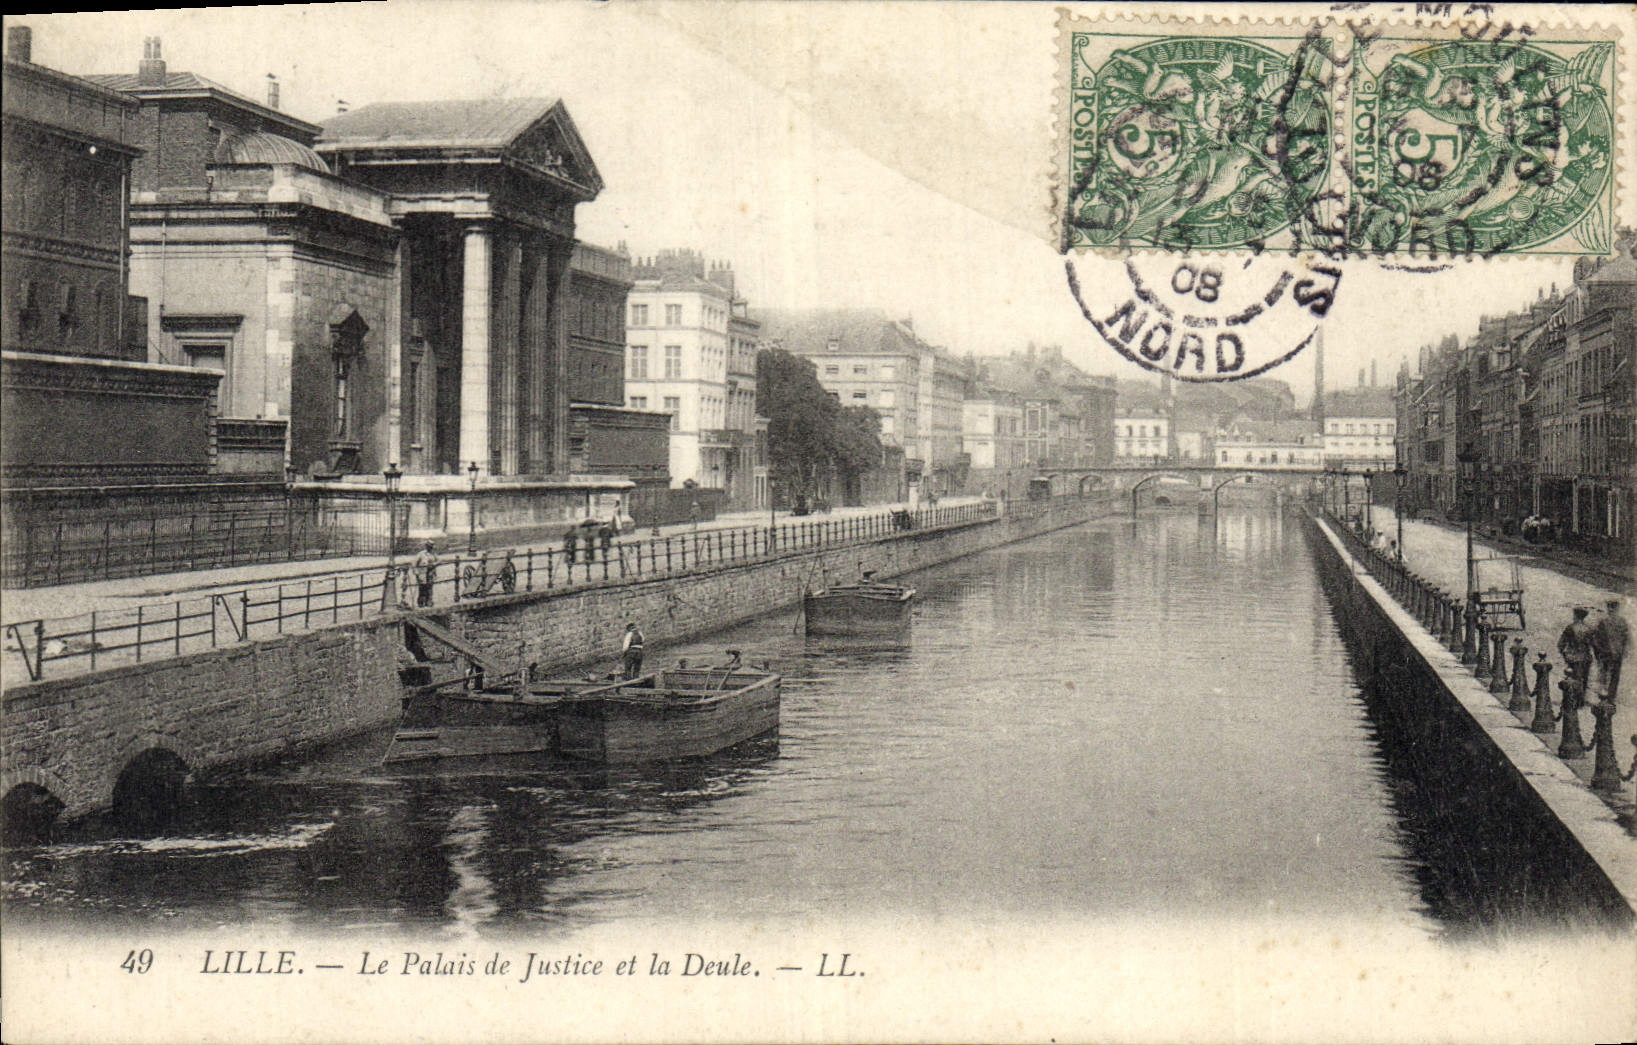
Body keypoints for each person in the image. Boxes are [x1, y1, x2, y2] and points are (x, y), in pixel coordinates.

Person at [1591, 597, 1628, 702]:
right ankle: (1611, 698)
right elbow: (1625, 639)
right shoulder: (1622, 622)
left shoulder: (1603, 622)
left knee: (1604, 674)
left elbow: (1595, 639)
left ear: (1609, 608)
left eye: (1610, 607)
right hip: (1617, 653)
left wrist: (1598, 651)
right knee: (1614, 676)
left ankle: (1603, 697)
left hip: (1605, 653)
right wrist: (1622, 650)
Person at [1557, 606, 1595, 687]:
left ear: (1576, 616)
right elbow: (1594, 644)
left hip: (1573, 658)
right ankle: (1581, 698)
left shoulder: (1570, 627)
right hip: (1585, 658)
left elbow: (1560, 644)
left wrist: (1565, 655)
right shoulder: (1589, 629)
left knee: (1572, 681)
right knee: (1583, 681)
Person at [412, 541, 439, 607]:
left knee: (429, 588)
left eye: (431, 547)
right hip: (422, 573)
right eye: (429, 546)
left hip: (431, 573)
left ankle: (429, 602)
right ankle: (421, 603)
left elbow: (439, 560)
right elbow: (414, 563)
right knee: (422, 588)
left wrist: (434, 564)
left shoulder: (433, 554)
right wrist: (416, 572)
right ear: (426, 546)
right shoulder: (421, 554)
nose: (430, 548)